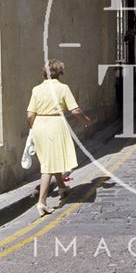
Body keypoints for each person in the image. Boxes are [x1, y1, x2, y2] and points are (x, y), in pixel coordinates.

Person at [26, 59, 91, 216]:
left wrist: (33, 127)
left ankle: (61, 187)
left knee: (51, 158)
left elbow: (29, 114)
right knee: (48, 165)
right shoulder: (63, 88)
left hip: (39, 124)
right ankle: (42, 202)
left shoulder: (36, 89)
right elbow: (74, 110)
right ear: (60, 72)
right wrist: (86, 120)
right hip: (55, 124)